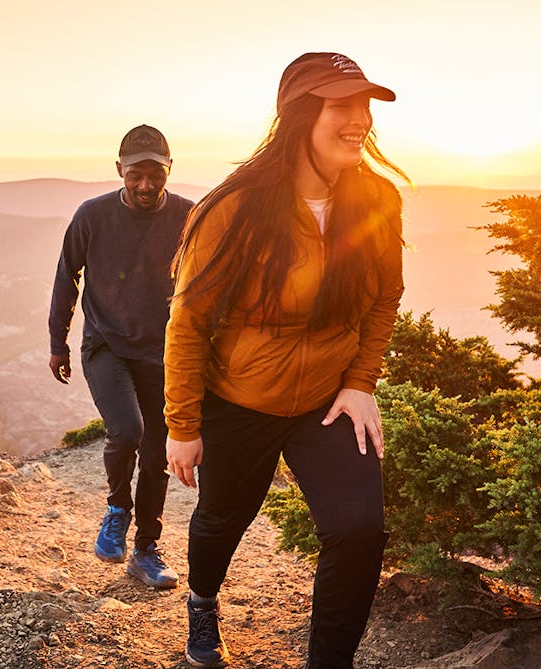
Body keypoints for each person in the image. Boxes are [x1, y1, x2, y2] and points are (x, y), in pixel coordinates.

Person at [163, 53, 407, 668]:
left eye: (365, 106)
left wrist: (360, 383)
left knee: (358, 529)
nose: (359, 120)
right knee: (223, 519)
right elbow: (188, 321)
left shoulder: (377, 198)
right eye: (341, 106)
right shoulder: (235, 208)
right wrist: (183, 426)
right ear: (301, 115)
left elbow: (384, 298)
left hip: (327, 400)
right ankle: (202, 599)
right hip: (240, 398)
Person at [49, 125, 194, 589]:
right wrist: (58, 342)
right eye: (137, 174)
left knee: (157, 455)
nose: (146, 184)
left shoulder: (189, 218)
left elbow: (208, 285)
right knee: (127, 430)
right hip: (105, 344)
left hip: (163, 352)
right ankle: (117, 509)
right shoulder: (92, 216)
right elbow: (66, 276)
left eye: (156, 174)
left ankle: (146, 549)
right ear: (120, 172)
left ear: (169, 170)